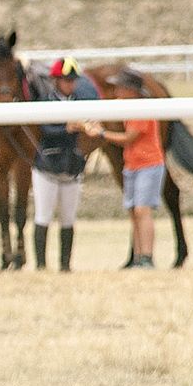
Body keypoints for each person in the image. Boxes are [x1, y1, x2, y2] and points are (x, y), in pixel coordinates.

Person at [29, 58, 97, 272]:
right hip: (47, 167)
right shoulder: (45, 102)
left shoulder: (81, 102)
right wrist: (67, 129)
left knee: (69, 218)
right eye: (66, 80)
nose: (70, 84)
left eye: (72, 80)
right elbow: (44, 131)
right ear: (56, 81)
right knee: (43, 215)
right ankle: (41, 265)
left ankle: (65, 265)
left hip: (72, 167)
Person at [83, 107, 164, 269]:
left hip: (147, 164)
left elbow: (129, 137)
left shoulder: (140, 111)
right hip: (133, 164)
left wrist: (101, 133)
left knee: (142, 210)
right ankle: (138, 257)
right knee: (134, 212)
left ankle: (146, 257)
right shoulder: (126, 107)